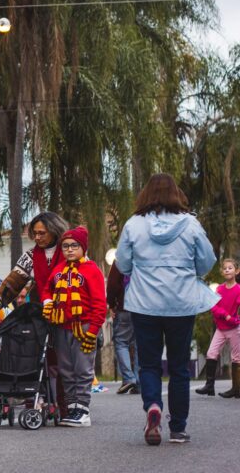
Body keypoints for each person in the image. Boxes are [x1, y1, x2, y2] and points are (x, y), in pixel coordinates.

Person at [116, 173, 219, 445]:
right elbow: (206, 262)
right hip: (181, 303)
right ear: (177, 194)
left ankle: (153, 406)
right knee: (179, 367)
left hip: (144, 303)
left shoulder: (133, 224)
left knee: (148, 364)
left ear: (146, 195)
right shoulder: (191, 224)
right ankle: (178, 428)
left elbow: (123, 264)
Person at [0, 212, 71, 417]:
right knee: (40, 359)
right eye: (34, 233)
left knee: (63, 362)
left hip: (69, 314)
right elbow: (11, 284)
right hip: (41, 314)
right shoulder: (30, 256)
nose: (37, 238)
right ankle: (39, 400)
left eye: (42, 233)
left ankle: (68, 406)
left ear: (55, 232)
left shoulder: (69, 251)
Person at [41, 226, 106, 427]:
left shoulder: (91, 270)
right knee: (66, 370)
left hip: (84, 327)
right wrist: (47, 303)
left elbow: (99, 304)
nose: (69, 250)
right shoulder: (59, 270)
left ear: (83, 247)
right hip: (62, 327)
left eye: (74, 246)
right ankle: (71, 409)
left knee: (83, 369)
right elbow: (46, 290)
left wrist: (93, 330)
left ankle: (83, 410)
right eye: (66, 246)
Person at [195, 258, 240, 398]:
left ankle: (236, 389)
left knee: (237, 358)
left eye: (230, 268)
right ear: (222, 272)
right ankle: (209, 386)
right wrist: (225, 315)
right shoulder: (219, 289)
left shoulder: (238, 289)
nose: (227, 270)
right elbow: (213, 306)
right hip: (221, 328)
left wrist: (235, 320)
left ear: (237, 271)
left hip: (234, 329)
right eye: (225, 268)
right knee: (211, 353)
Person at [107, 261, 140, 395]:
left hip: (124, 307)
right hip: (144, 309)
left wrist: (111, 303)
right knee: (140, 345)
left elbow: (113, 285)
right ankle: (139, 382)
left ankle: (128, 378)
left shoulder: (121, 260)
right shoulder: (146, 257)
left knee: (121, 342)